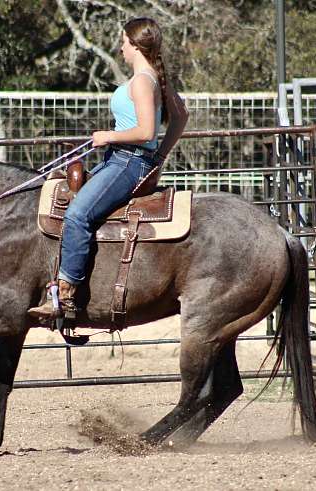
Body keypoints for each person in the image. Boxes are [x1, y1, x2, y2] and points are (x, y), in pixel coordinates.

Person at [28, 17, 189, 321]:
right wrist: (161, 155)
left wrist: (109, 136)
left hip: (127, 161)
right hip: (124, 159)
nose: (120, 48)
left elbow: (145, 132)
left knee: (77, 215)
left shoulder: (143, 80)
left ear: (134, 45)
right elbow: (180, 116)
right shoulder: (153, 77)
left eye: (123, 42)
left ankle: (66, 295)